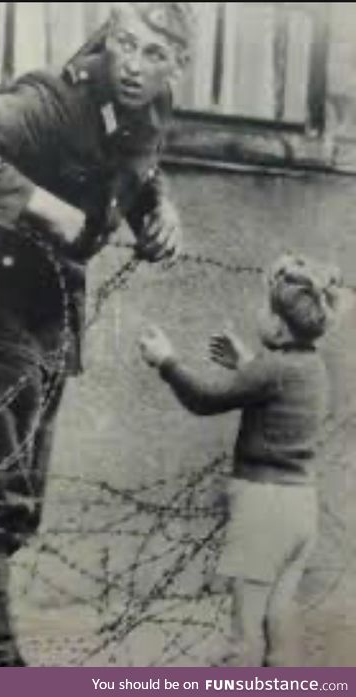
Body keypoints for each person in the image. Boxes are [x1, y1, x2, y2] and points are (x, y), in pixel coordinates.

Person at [0, 2, 195, 667]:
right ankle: (2, 664)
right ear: (108, 38)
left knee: (14, 503)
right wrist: (44, 206)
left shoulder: (151, 110)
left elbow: (140, 164)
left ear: (177, 64)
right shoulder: (53, 97)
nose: (133, 63)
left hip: (48, 318)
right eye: (126, 43)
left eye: (155, 54)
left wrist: (160, 207)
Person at [139, 253, 342, 666]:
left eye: (264, 308)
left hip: (263, 508)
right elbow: (277, 392)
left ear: (279, 325)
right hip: (300, 508)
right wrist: (247, 364)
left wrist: (167, 362)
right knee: (279, 622)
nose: (257, 313)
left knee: (243, 637)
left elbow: (204, 399)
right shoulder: (312, 367)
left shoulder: (271, 369)